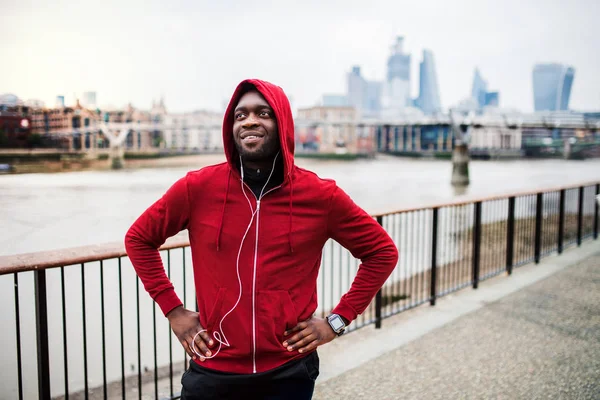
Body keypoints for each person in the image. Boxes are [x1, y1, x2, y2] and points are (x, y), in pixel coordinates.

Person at [125, 79, 398, 399]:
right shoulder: (198, 188)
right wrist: (174, 311)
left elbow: (381, 252)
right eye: (240, 115)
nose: (250, 120)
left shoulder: (321, 196)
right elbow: (139, 238)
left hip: (288, 369)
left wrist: (336, 321)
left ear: (282, 123)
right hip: (214, 365)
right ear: (230, 127)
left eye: (263, 113)